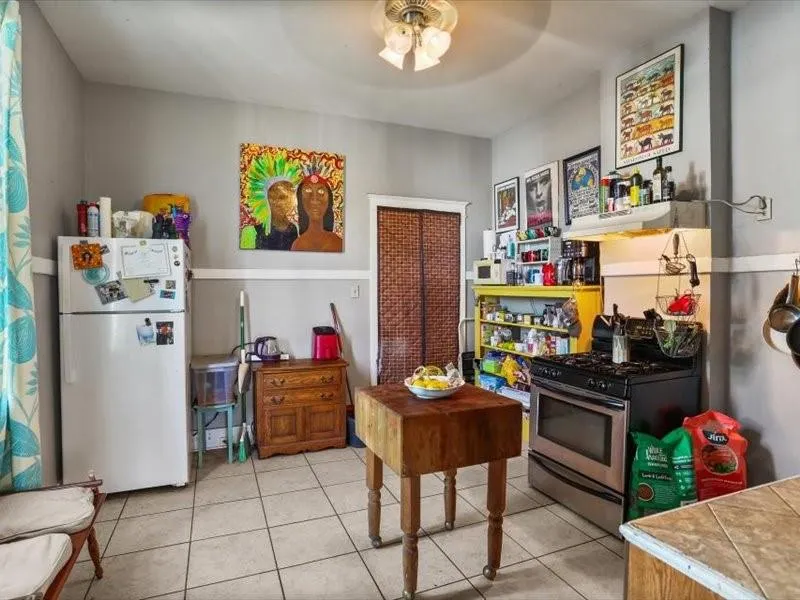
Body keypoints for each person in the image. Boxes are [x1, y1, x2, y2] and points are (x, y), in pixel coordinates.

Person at [291, 172, 342, 252]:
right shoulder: (297, 245)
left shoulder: (338, 243)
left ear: (329, 200)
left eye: (321, 191)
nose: (314, 200)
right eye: (308, 191)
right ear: (301, 200)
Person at [255, 180, 298, 250]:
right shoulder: (257, 229)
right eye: (272, 197)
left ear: (291, 200)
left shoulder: (294, 230)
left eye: (282, 197)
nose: (277, 203)